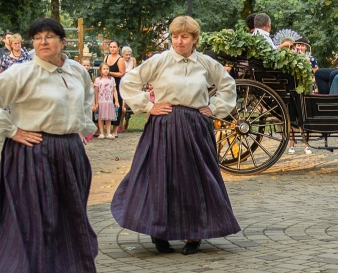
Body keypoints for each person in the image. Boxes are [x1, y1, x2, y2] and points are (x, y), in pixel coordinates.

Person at [0, 18, 98, 273]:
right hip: (32, 152)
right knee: (34, 217)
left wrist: (80, 128)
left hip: (69, 152)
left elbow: (86, 99)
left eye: (49, 36)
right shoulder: (22, 72)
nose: (42, 42)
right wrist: (12, 130)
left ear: (63, 42)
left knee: (67, 216)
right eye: (37, 38)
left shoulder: (77, 70)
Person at [112, 16, 239, 256]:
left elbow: (228, 85)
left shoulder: (205, 63)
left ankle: (195, 234)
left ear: (194, 39)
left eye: (184, 37)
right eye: (175, 36)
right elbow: (129, 81)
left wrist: (213, 108)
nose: (179, 41)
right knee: (161, 177)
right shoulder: (160, 61)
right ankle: (159, 231)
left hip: (195, 126)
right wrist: (149, 106)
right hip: (164, 126)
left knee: (195, 180)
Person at [103, 40, 127, 133]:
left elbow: (122, 73)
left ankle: (115, 129)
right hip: (106, 83)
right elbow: (103, 68)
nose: (112, 49)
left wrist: (110, 73)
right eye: (111, 47)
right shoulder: (106, 57)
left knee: (117, 105)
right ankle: (105, 128)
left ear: (118, 48)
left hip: (116, 84)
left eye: (114, 47)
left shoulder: (120, 59)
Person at [93, 62, 119, 139]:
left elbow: (114, 90)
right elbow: (96, 92)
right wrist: (96, 102)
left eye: (107, 69)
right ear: (100, 70)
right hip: (101, 101)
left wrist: (116, 101)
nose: (106, 70)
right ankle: (101, 133)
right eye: (104, 69)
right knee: (100, 117)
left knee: (108, 117)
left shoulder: (112, 79)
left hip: (109, 102)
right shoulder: (98, 80)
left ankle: (108, 133)